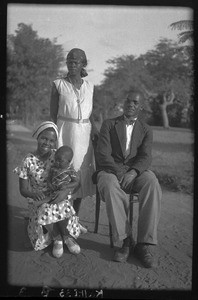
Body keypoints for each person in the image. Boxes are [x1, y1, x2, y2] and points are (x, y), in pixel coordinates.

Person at [94, 89, 162, 268]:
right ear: (123, 103)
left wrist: (133, 172)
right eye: (128, 101)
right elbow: (102, 154)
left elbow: (145, 157)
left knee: (152, 182)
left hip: (134, 172)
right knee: (109, 185)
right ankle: (126, 241)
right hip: (110, 170)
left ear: (141, 107)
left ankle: (143, 244)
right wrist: (118, 173)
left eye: (135, 102)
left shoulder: (146, 129)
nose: (131, 104)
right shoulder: (109, 124)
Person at [13, 121, 82, 259]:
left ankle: (67, 236)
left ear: (55, 143)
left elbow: (73, 177)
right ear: (37, 137)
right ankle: (58, 238)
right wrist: (34, 194)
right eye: (44, 138)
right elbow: (23, 190)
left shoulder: (59, 155)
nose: (47, 143)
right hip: (38, 197)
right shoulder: (28, 160)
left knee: (62, 202)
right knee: (45, 207)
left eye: (51, 140)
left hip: (58, 192)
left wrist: (64, 191)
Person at [50, 48, 99, 215]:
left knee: (80, 172)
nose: (71, 64)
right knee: (62, 170)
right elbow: (52, 114)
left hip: (84, 134)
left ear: (83, 64)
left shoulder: (91, 87)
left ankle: (73, 218)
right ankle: (59, 215)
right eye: (69, 61)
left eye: (75, 62)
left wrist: (95, 129)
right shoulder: (58, 85)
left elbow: (91, 112)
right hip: (65, 132)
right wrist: (53, 134)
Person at [37, 145, 87, 234]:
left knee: (61, 207)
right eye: (56, 160)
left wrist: (67, 186)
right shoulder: (53, 168)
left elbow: (76, 182)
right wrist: (49, 184)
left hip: (64, 192)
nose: (57, 162)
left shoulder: (70, 171)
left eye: (60, 161)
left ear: (68, 161)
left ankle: (71, 228)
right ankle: (54, 229)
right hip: (52, 190)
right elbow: (49, 178)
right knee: (49, 205)